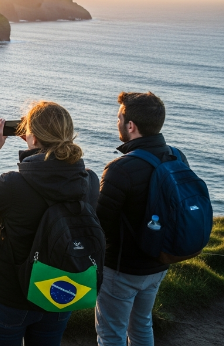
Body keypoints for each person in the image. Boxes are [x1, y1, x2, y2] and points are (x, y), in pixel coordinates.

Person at [0, 101, 99, 346]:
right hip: (60, 290)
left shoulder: (14, 184)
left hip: (9, 296)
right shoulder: (88, 180)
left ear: (32, 137)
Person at [95, 92, 182, 346]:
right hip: (158, 263)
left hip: (122, 269)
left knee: (111, 333)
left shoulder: (120, 168)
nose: (117, 123)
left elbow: (100, 224)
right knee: (142, 324)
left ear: (131, 126)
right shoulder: (177, 156)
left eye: (119, 118)